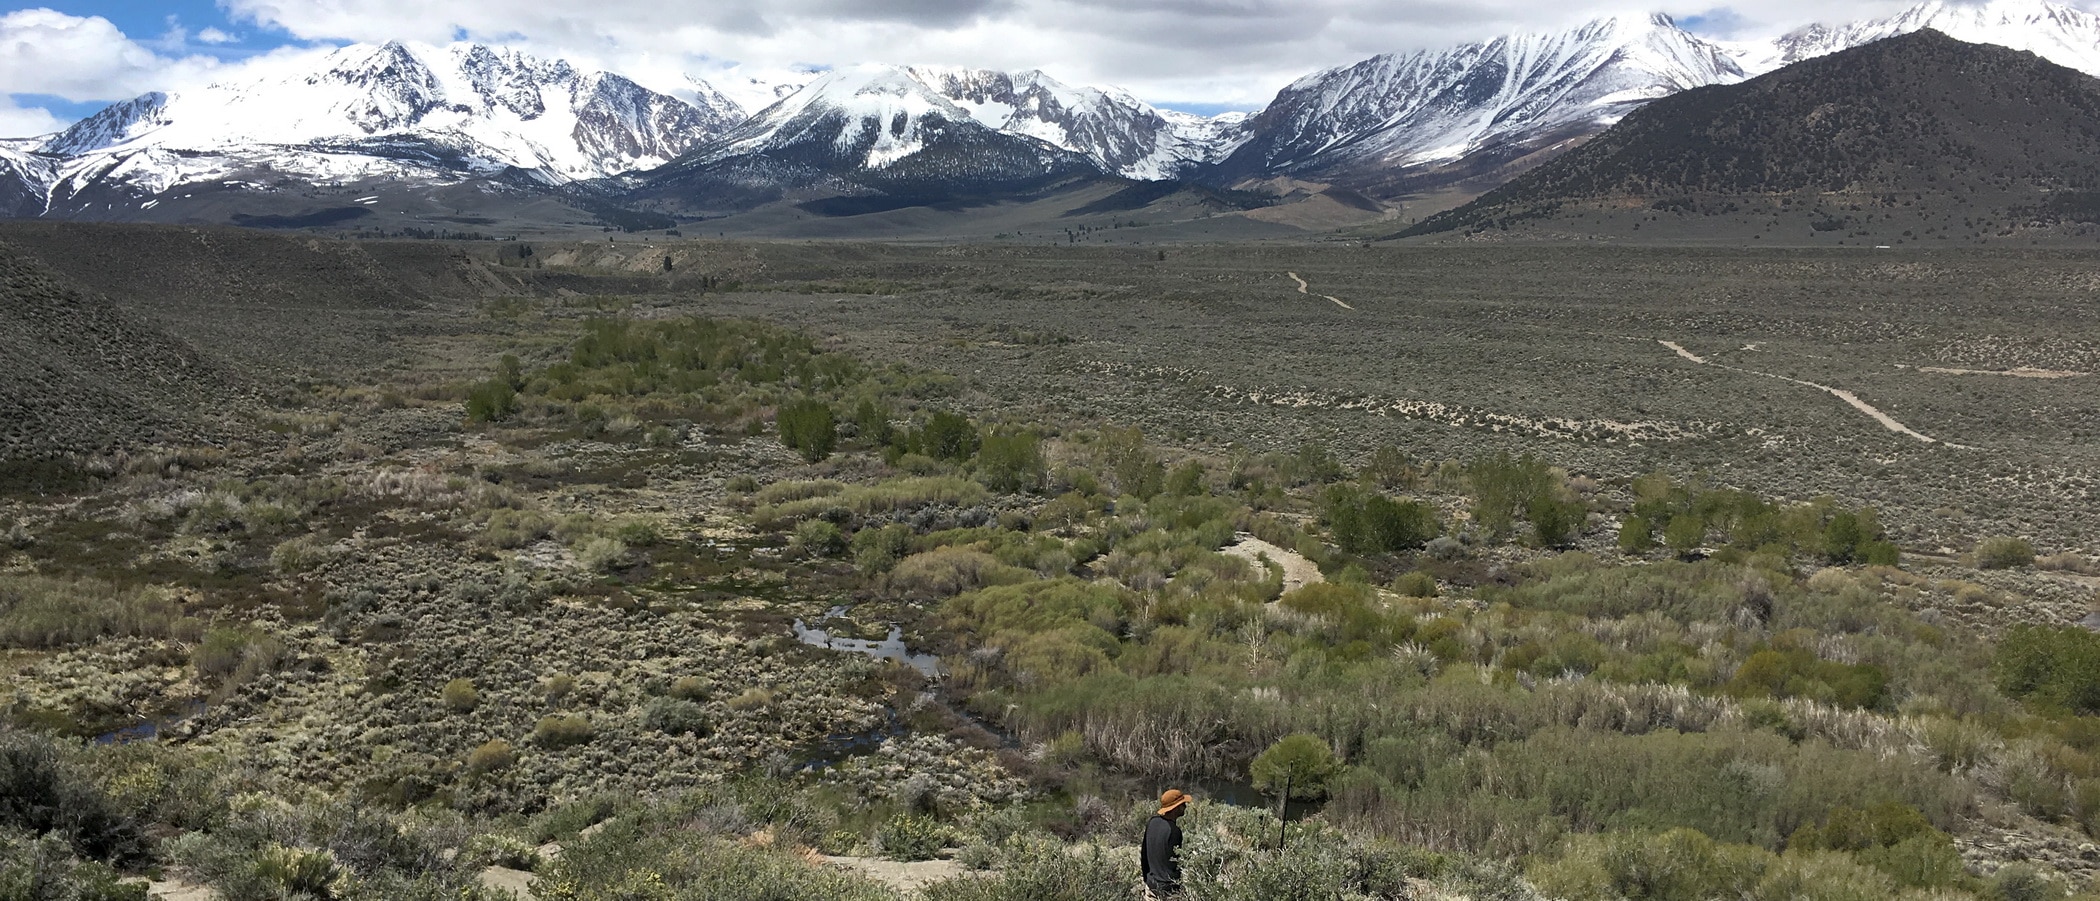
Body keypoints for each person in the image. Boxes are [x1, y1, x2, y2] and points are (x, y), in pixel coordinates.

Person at [1142, 788, 1191, 898]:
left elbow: (1144, 856)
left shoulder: (1152, 822)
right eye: (1182, 804)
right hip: (1167, 890)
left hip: (1151, 885)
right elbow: (1174, 864)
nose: (1185, 807)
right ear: (1175, 808)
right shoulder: (1174, 831)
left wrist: (1147, 880)